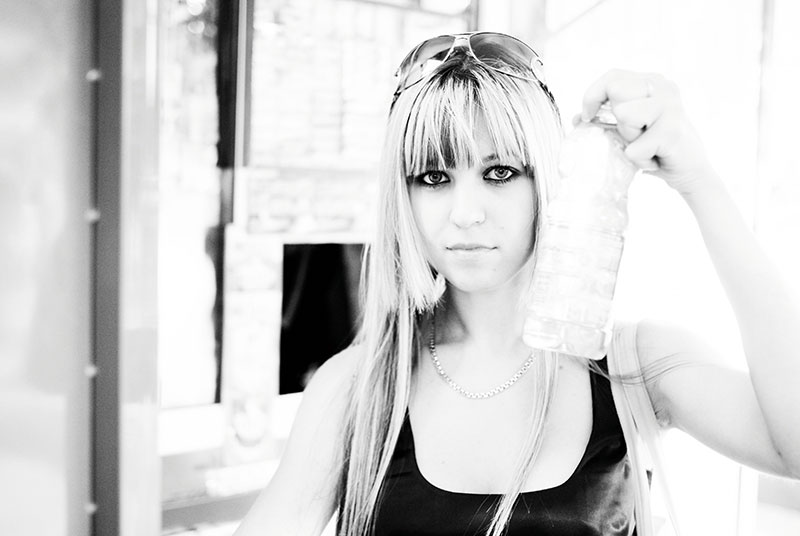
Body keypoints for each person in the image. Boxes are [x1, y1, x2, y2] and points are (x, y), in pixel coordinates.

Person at [233, 32, 800, 535]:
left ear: (546, 178)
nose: (465, 213)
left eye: (499, 172)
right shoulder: (358, 389)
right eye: (433, 177)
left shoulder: (633, 364)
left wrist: (699, 182)